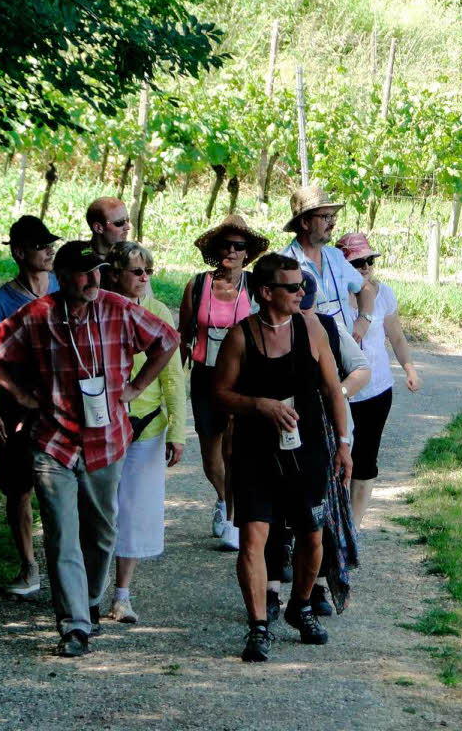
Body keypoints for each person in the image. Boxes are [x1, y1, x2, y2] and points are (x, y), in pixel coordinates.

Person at [0, 240, 178, 658]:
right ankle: (74, 626)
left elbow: (168, 339)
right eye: (85, 272)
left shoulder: (118, 309)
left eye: (99, 271)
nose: (94, 279)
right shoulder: (38, 314)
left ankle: (92, 599)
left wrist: (137, 386)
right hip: (52, 443)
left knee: (101, 534)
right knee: (63, 534)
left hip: (107, 441)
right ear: (62, 276)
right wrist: (20, 394)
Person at [213, 254, 353, 662]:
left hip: (307, 451)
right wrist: (259, 404)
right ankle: (258, 626)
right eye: (292, 287)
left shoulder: (312, 328)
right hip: (256, 453)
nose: (301, 293)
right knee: (253, 539)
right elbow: (218, 394)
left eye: (302, 285)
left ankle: (300, 606)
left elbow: (333, 390)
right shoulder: (242, 336)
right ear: (266, 293)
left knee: (312, 536)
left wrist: (343, 444)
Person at [265, 271, 369, 623]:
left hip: (322, 433)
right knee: (275, 516)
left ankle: (318, 588)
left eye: (306, 302)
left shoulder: (327, 327)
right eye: (296, 299)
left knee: (322, 515)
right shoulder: (263, 330)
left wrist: (336, 394)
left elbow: (361, 369)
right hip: (278, 433)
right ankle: (271, 590)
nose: (302, 311)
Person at [0, 215, 61, 597]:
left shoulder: (61, 287)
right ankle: (29, 566)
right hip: (17, 411)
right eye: (41, 246)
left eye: (50, 244)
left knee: (60, 489)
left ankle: (65, 569)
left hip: (61, 407)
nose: (49, 250)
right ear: (19, 252)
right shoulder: (2, 301)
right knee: (19, 489)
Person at [104, 241, 186, 624]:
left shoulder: (158, 312)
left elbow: (173, 379)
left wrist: (177, 431)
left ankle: (122, 595)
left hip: (148, 425)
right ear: (116, 272)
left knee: (135, 510)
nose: (143, 278)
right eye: (136, 271)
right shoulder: (98, 309)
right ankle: (90, 588)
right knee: (102, 508)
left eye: (148, 272)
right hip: (104, 423)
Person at [179, 214, 268, 551]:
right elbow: (184, 335)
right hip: (204, 375)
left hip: (241, 378)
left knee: (234, 448)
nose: (231, 251)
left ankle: (232, 517)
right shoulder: (198, 285)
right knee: (210, 456)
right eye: (225, 245)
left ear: (248, 253)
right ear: (216, 249)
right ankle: (222, 498)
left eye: (239, 246)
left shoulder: (255, 288)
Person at [336, 232, 423, 528]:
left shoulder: (383, 293)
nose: (364, 267)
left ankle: (353, 528)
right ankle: (331, 526)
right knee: (336, 460)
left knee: (365, 461)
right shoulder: (333, 294)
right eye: (357, 262)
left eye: (369, 261)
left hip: (376, 390)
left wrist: (409, 368)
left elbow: (396, 336)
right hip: (341, 392)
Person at [280, 183, 376, 343]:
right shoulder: (282, 264)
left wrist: (364, 320)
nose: (332, 223)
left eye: (333, 216)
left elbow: (365, 287)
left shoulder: (336, 257)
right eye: (325, 217)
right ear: (305, 223)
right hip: (307, 359)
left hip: (344, 354)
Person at [86, 197, 130, 264]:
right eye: (119, 222)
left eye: (127, 220)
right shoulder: (79, 257)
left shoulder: (130, 256)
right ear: (98, 228)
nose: (127, 227)